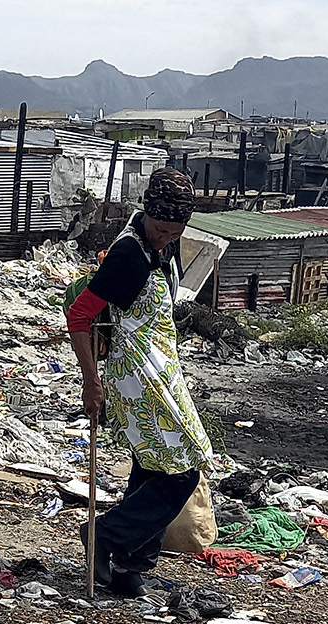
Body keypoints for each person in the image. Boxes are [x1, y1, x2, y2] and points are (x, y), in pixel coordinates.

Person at [64, 167, 214, 598]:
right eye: (162, 229)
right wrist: (91, 382)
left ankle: (132, 568)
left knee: (151, 469)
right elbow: (79, 315)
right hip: (136, 377)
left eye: (175, 232)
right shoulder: (129, 254)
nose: (167, 237)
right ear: (147, 214)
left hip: (161, 369)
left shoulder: (161, 248)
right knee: (182, 471)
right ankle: (104, 536)